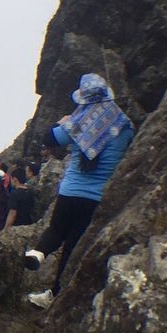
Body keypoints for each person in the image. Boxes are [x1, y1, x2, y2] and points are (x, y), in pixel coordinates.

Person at [23, 73, 134, 308]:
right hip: (95, 198)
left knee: (56, 230)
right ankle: (54, 295)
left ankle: (38, 253)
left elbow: (48, 138)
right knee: (72, 247)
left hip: (70, 191)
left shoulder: (78, 121)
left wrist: (63, 121)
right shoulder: (124, 124)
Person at [3, 166, 35, 231]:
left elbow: (12, 213)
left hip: (17, 226)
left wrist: (5, 228)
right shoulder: (30, 191)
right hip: (28, 224)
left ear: (15, 179)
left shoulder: (14, 193)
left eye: (11, 179)